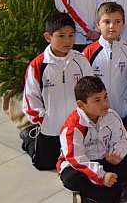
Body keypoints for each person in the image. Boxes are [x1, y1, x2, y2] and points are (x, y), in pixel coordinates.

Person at [58, 76, 127, 201]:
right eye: (97, 100)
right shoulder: (73, 127)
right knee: (73, 178)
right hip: (81, 166)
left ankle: (94, 195)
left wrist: (117, 155)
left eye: (105, 97)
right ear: (81, 105)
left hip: (105, 161)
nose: (105, 103)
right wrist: (101, 176)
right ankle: (120, 191)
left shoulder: (112, 116)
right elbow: (77, 160)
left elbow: (122, 140)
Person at [21, 12, 93, 170]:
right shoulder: (38, 65)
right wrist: (44, 120)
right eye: (61, 36)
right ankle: (29, 138)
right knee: (43, 164)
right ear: (48, 37)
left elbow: (91, 90)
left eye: (71, 36)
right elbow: (30, 99)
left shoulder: (80, 60)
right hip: (51, 128)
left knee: (79, 160)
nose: (67, 41)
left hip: (76, 126)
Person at [82, 2, 127, 119]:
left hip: (123, 115)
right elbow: (83, 87)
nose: (112, 26)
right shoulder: (88, 53)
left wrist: (126, 107)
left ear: (123, 24)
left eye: (117, 22)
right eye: (107, 22)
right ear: (98, 24)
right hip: (96, 117)